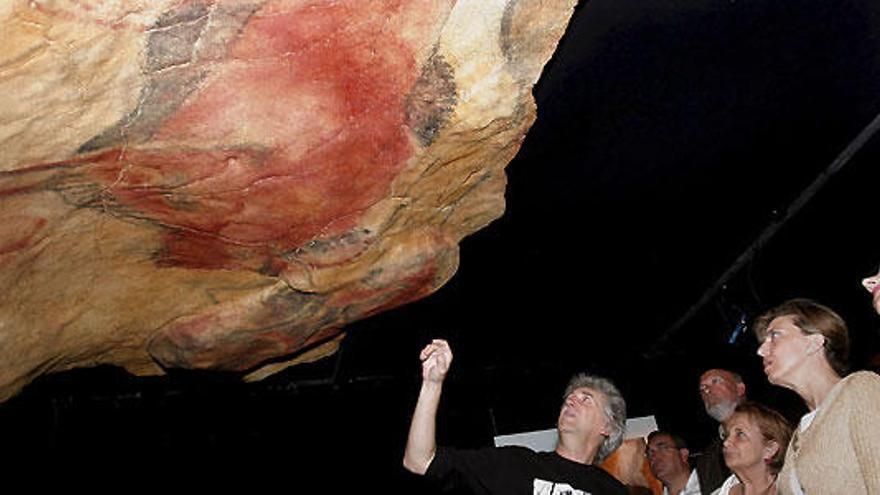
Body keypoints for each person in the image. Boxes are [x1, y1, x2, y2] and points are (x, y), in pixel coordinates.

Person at [402, 339, 628, 494]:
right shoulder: (514, 464)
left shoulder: (613, 491)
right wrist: (432, 383)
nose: (570, 400)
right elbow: (420, 461)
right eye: (570, 396)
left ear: (607, 426)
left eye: (586, 398)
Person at [754, 298, 880, 494]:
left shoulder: (859, 389)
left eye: (775, 336)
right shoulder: (798, 437)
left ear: (814, 342)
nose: (761, 350)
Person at [713, 402, 792, 495]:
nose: (726, 443)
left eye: (740, 434)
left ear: (770, 449)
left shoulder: (793, 490)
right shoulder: (722, 492)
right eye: (726, 435)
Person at [696, 369, 747, 494]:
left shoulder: (774, 430)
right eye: (702, 388)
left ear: (740, 388)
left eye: (715, 381)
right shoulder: (706, 462)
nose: (707, 390)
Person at [646, 431, 702, 495]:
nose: (654, 456)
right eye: (650, 453)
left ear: (683, 455)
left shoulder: (710, 485)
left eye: (662, 448)